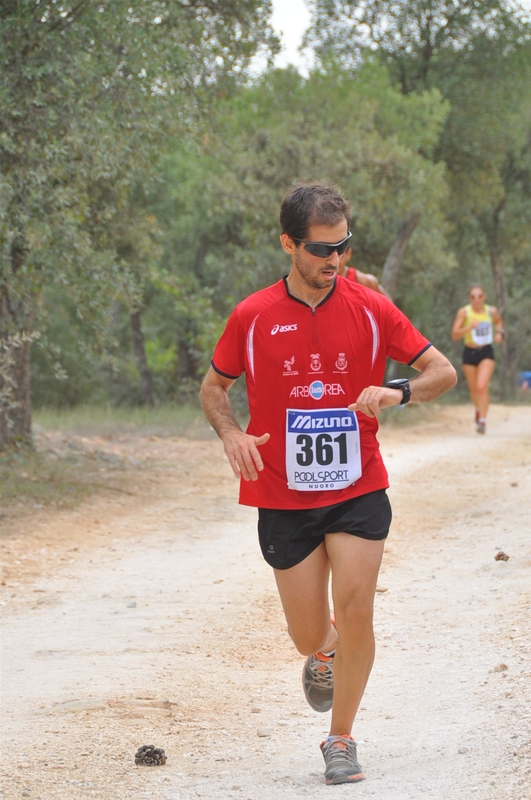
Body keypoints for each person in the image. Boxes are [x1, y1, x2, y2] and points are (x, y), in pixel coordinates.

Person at [200, 183, 456, 786]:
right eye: (319, 249)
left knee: (358, 606)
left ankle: (340, 738)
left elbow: (441, 371)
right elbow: (214, 388)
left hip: (358, 483)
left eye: (342, 246)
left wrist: (397, 392)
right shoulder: (253, 316)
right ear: (288, 243)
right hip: (284, 494)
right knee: (309, 631)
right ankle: (323, 650)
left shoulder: (371, 308)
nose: (333, 260)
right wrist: (233, 436)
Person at [451, 285, 504, 434]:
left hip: (486, 351)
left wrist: (500, 333)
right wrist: (469, 327)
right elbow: (455, 334)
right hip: (469, 352)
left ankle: (483, 421)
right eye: (473, 296)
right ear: (469, 298)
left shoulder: (491, 311)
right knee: (474, 389)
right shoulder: (464, 312)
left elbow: (499, 322)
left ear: (484, 297)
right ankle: (478, 408)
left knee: (482, 386)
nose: (476, 299)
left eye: (479, 296)